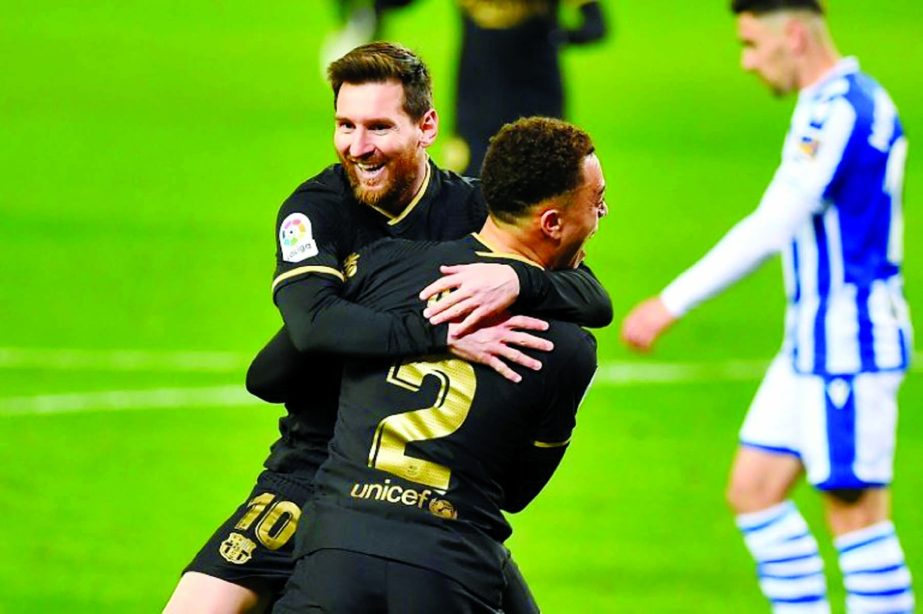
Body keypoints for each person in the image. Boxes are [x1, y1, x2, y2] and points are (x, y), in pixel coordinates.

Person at [164, 43, 611, 613]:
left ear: (426, 127)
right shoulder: (316, 210)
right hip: (315, 462)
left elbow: (593, 297)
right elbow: (310, 327)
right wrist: (439, 332)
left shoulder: (474, 207)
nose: (358, 147)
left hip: (428, 485)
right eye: (344, 126)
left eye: (378, 127)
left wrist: (520, 284)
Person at [621, 1, 913, 612]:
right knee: (754, 490)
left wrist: (670, 303)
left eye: (753, 45)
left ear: (796, 36)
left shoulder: (839, 112)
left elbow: (773, 224)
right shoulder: (848, 100)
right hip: (809, 344)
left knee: (856, 519)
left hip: (848, 345)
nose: (749, 64)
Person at [272, 116, 605, 613]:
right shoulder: (566, 348)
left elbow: (270, 376)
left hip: (336, 550)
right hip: (450, 570)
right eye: (596, 201)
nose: (602, 211)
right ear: (552, 223)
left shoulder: (385, 264)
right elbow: (516, 491)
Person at [446, 0, 608, 176]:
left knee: (538, 186)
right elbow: (595, 28)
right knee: (471, 189)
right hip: (477, 105)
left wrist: (557, 35)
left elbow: (595, 26)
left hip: (533, 101)